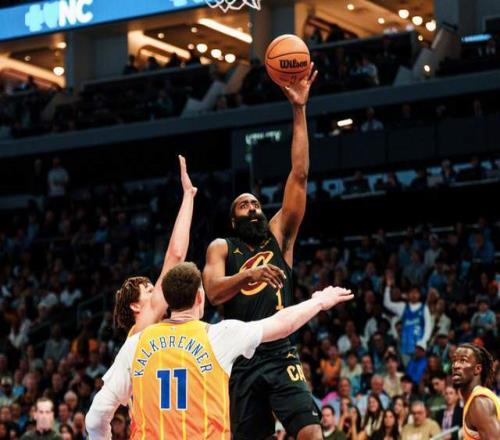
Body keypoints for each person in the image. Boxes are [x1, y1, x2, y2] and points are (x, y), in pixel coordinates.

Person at [86, 262, 354, 438]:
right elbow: (282, 324)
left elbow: (97, 416)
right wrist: (319, 301)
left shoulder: (136, 344)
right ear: (199, 297)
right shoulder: (217, 335)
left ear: (167, 301)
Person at [203, 63, 319, 440]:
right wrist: (249, 275)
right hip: (241, 357)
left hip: (280, 350)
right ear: (233, 220)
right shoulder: (222, 247)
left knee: (310, 432)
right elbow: (213, 293)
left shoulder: (279, 236)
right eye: (244, 206)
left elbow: (299, 175)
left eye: (255, 203)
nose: (253, 208)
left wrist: (299, 108)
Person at [112, 155, 196, 336]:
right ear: (136, 306)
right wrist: (188, 195)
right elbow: (176, 255)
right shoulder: (141, 330)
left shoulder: (159, 332)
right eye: (150, 291)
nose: (159, 291)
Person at [451, 343, 500, 439]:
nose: (455, 366)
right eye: (454, 360)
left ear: (477, 369)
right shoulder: (475, 399)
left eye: (463, 360)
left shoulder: (479, 403)